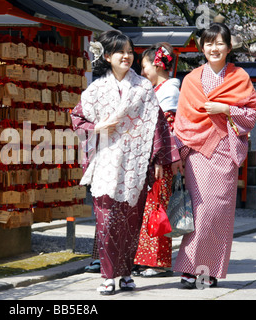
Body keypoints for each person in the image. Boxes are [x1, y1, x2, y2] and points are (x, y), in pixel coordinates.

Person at [71, 30, 181, 295]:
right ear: (108, 56)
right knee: (107, 220)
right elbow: (77, 120)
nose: (127, 56)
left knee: (131, 222)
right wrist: (99, 126)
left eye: (130, 52)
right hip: (106, 161)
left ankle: (126, 272)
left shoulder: (143, 88)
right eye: (121, 52)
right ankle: (108, 275)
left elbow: (157, 126)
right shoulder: (96, 89)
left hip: (136, 162)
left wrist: (158, 158)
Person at [173, 22, 256, 288]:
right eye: (208, 43)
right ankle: (190, 269)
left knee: (217, 213)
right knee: (197, 211)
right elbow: (183, 119)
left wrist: (225, 108)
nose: (214, 48)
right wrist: (178, 154)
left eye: (219, 43)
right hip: (195, 152)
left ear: (229, 47)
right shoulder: (190, 79)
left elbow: (251, 115)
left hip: (223, 150)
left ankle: (208, 271)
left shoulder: (240, 77)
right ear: (202, 47)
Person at [132, 42, 180, 277]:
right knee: (148, 209)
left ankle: (159, 262)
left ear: (157, 64)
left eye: (144, 67)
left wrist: (160, 159)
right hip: (150, 159)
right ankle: (145, 259)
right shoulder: (158, 90)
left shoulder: (169, 92)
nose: (142, 73)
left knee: (157, 209)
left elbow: (168, 131)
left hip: (161, 160)